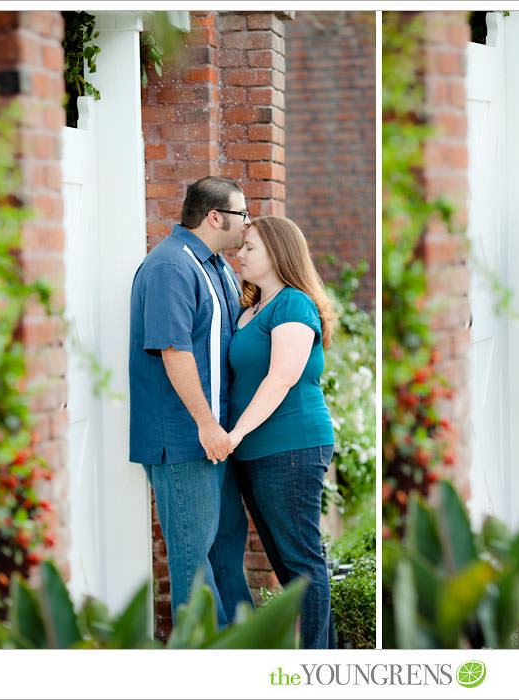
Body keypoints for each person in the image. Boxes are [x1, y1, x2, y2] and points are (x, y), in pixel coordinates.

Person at [129, 176, 254, 627]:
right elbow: (173, 350)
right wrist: (205, 424)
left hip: (217, 439)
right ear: (215, 216)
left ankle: (244, 649)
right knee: (192, 560)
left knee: (226, 551)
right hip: (185, 440)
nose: (248, 223)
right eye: (242, 213)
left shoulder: (216, 265)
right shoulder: (170, 266)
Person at [225, 215, 336, 649]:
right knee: (289, 568)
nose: (241, 255)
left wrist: (233, 434)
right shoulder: (251, 309)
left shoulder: (293, 304)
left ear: (278, 252)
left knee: (302, 564)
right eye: (242, 247)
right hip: (257, 452)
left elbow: (281, 378)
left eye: (250, 247)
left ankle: (314, 665)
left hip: (292, 446)